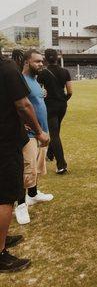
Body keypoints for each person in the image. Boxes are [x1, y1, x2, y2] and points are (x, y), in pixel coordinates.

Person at [0, 52, 49, 272]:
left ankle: (2, 237)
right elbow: (23, 105)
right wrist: (39, 131)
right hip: (6, 142)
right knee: (6, 196)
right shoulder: (8, 67)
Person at [15, 49, 53, 225]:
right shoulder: (19, 80)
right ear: (26, 62)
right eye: (37, 61)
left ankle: (33, 194)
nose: (41, 64)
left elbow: (35, 101)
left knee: (37, 167)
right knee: (27, 168)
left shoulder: (35, 80)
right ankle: (21, 205)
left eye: (42, 61)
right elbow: (17, 105)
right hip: (29, 133)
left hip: (42, 131)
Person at [37, 49, 72, 174]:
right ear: (57, 58)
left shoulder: (42, 73)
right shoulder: (65, 71)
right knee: (56, 131)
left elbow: (38, 90)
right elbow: (70, 91)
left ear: (45, 59)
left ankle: (61, 164)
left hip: (49, 105)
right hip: (62, 105)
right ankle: (51, 154)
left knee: (54, 134)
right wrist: (63, 100)